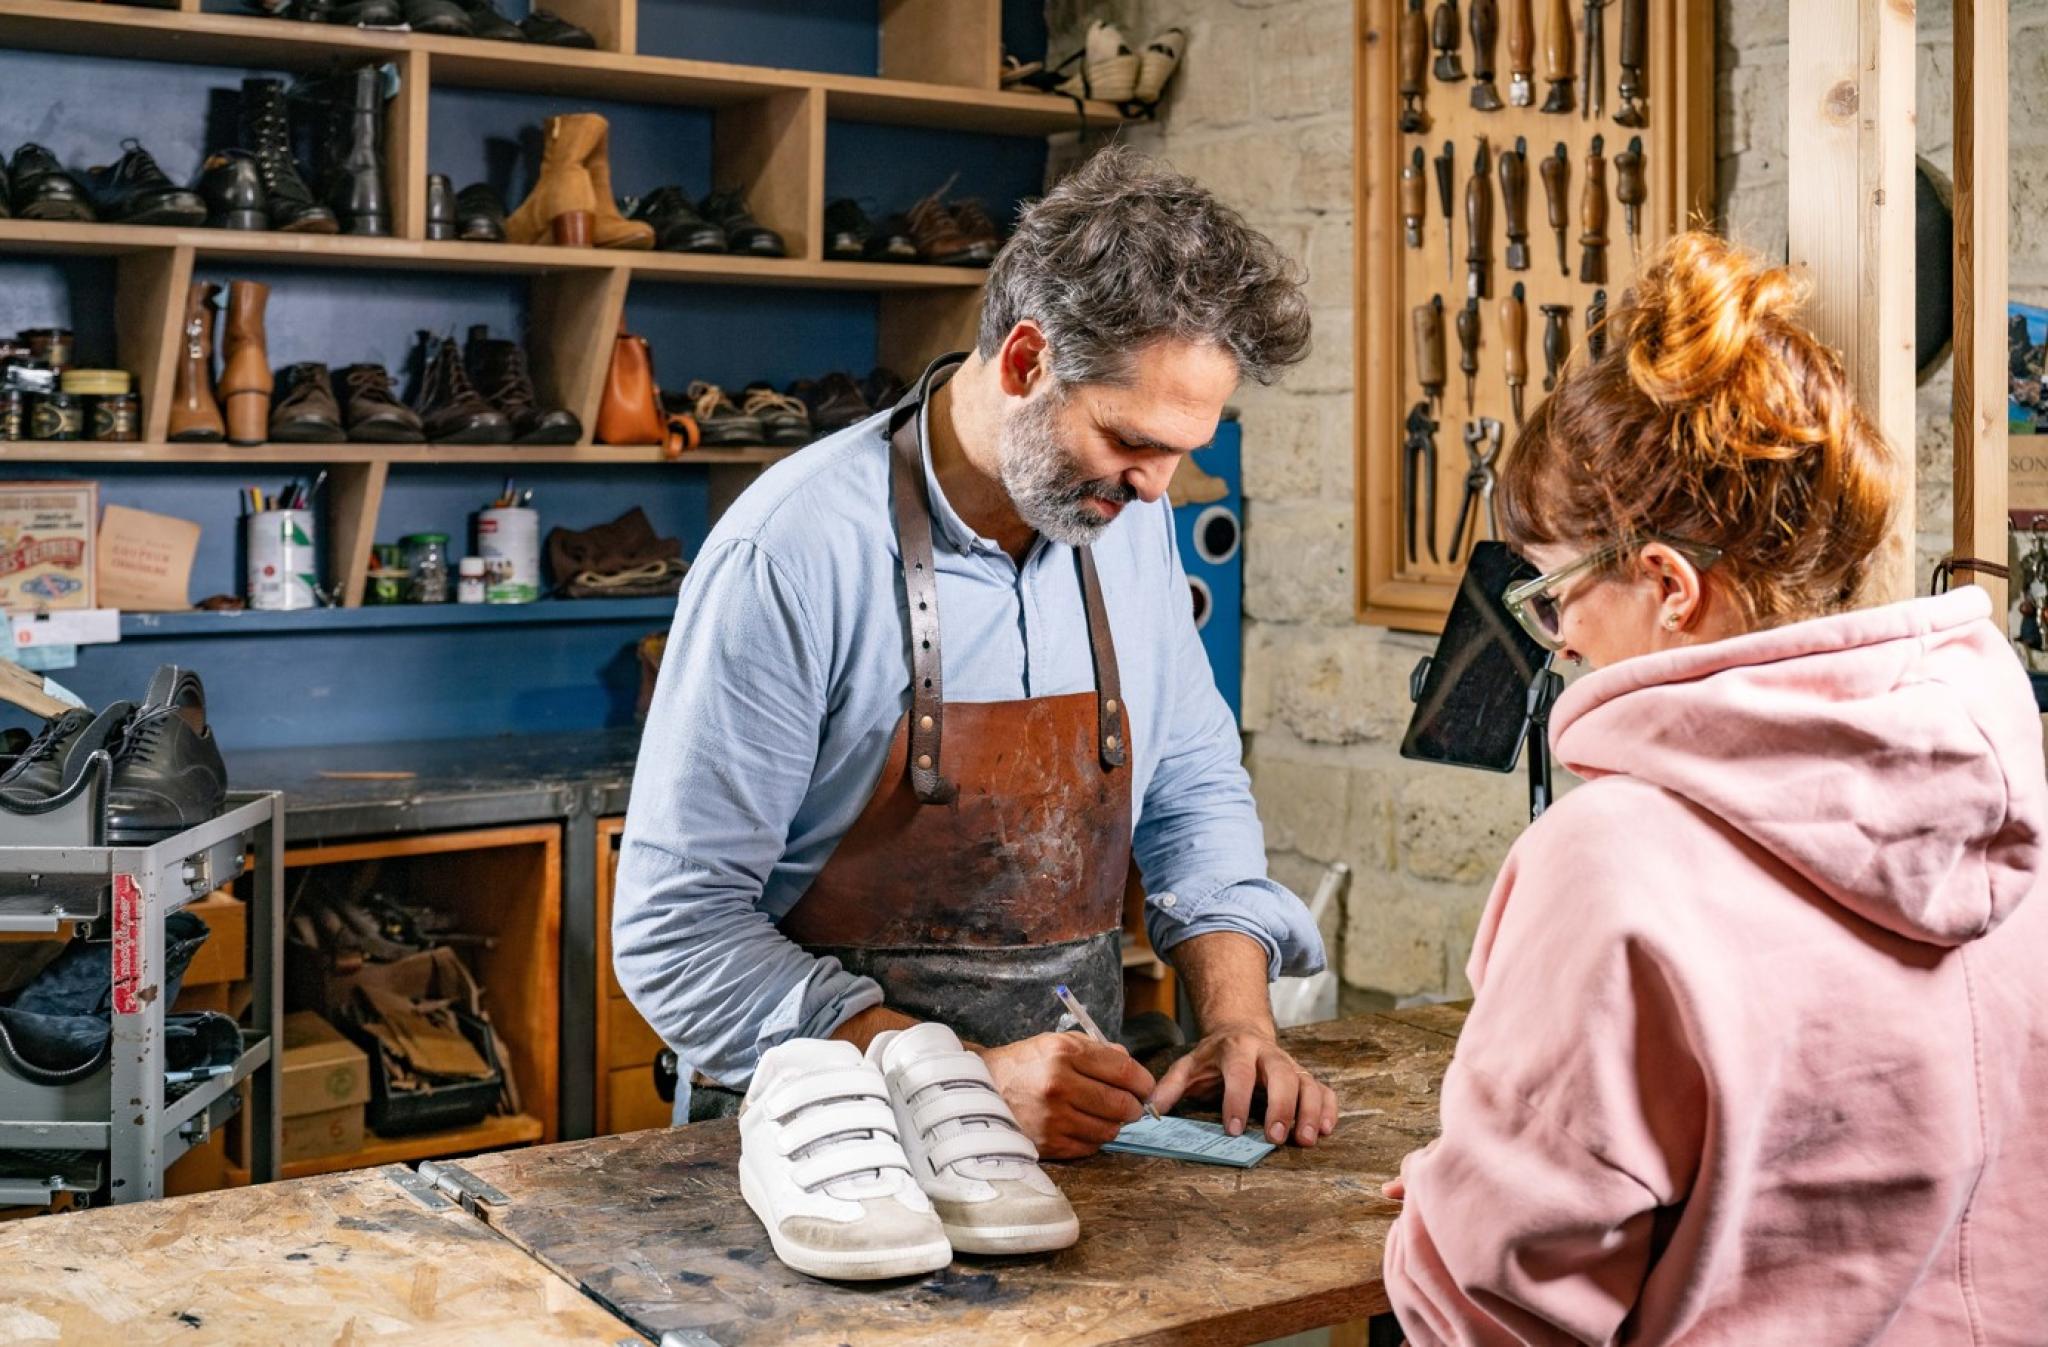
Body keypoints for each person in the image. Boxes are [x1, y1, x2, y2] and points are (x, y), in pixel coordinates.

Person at [1383, 232, 2048, 1342]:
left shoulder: (1613, 860)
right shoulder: (2007, 794)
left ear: (1666, 585)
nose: (1556, 639)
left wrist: (1443, 1223)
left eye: (1553, 596)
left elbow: (1496, 1294)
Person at [615, 146, 1340, 1157]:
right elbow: (675, 934)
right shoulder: (793, 550)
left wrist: (1237, 1020)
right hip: (832, 1144)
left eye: (1183, 450)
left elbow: (1188, 788)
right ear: (1024, 361)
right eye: (1130, 440)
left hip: (1074, 1140)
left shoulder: (1124, 522)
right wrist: (953, 1082)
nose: (1155, 488)